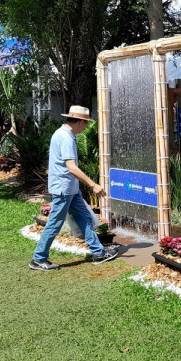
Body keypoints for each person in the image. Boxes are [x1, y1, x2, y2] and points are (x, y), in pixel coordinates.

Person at [30, 105, 119, 271]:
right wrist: (93, 184)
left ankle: (99, 253)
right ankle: (38, 259)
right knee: (55, 223)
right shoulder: (66, 137)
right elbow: (71, 167)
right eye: (86, 123)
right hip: (64, 189)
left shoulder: (62, 133)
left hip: (71, 188)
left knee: (84, 218)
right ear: (79, 122)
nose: (86, 127)